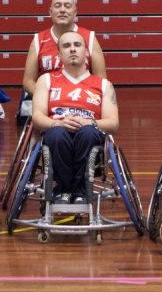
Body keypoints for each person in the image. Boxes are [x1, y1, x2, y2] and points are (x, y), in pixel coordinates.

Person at [30, 30, 118, 204]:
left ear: (86, 52)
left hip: (89, 134)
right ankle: (63, 189)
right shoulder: (46, 80)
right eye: (66, 46)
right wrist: (57, 123)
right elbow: (37, 117)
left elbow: (113, 123)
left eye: (77, 45)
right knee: (56, 134)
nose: (72, 49)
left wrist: (89, 122)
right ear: (59, 54)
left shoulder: (103, 85)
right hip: (58, 133)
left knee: (88, 133)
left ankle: (80, 191)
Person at [21, 0, 107, 98]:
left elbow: (101, 79)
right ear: (50, 12)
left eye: (67, 6)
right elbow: (28, 81)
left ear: (75, 12)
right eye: (57, 6)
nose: (62, 10)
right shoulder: (38, 40)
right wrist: (48, 98)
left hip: (82, 101)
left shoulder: (90, 38)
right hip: (48, 101)